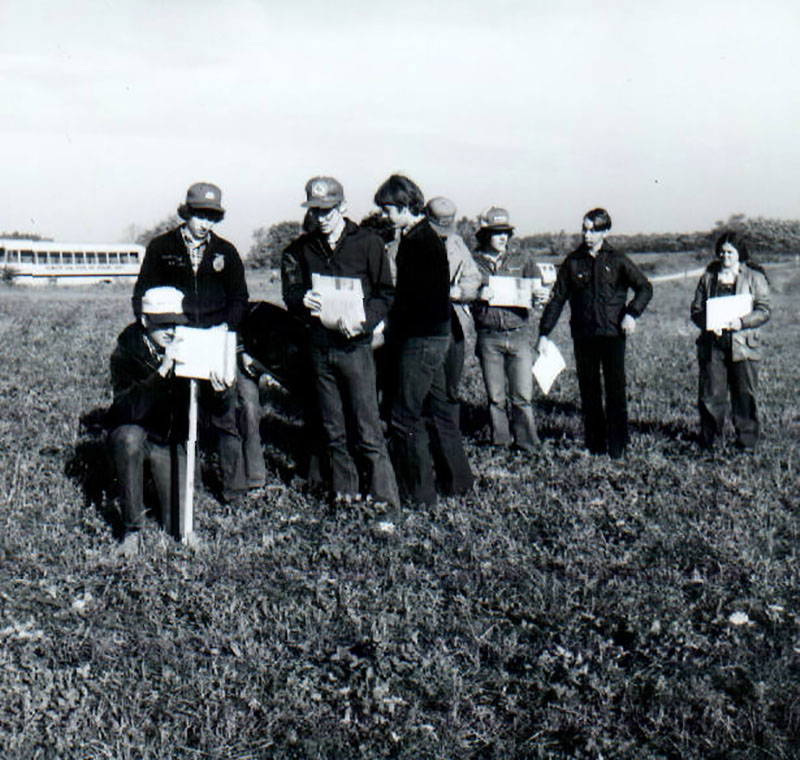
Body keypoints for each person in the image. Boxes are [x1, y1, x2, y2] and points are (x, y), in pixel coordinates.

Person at [281, 176, 399, 521]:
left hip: (356, 349)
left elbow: (385, 293)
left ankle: (385, 505)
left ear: (343, 207)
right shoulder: (303, 248)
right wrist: (301, 300)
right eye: (314, 211)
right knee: (334, 430)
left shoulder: (368, 243)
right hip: (320, 349)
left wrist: (364, 321)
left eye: (327, 211)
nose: (321, 218)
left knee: (367, 429)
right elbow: (292, 295)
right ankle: (345, 498)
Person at [132, 182, 251, 500]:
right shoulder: (161, 248)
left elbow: (240, 298)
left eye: (212, 217)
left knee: (226, 416)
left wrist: (226, 331)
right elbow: (142, 295)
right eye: (200, 215)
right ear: (186, 213)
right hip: (179, 342)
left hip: (215, 340)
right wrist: (157, 335)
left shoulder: (226, 252)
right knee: (183, 417)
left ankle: (234, 490)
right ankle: (190, 488)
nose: (206, 223)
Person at [107, 286, 233, 556]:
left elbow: (215, 408)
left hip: (169, 439)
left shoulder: (190, 345)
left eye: (177, 323)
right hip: (137, 430)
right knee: (128, 438)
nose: (171, 331)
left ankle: (166, 502)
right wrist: (163, 371)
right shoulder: (126, 352)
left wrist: (220, 391)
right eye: (163, 323)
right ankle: (132, 530)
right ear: (144, 321)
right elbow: (128, 408)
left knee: (177, 523)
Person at [374, 174, 472, 506]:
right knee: (442, 410)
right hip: (438, 336)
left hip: (421, 339)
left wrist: (384, 329)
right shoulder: (427, 237)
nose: (384, 216)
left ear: (404, 206)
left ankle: (418, 494)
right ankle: (457, 482)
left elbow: (409, 300)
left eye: (387, 210)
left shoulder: (415, 243)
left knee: (404, 417)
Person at [537, 208, 652, 458]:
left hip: (612, 335)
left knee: (615, 391)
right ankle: (595, 445)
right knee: (589, 392)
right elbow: (557, 298)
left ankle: (618, 447)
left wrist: (632, 313)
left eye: (593, 230)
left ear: (605, 231)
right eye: (585, 229)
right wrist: (544, 333)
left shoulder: (618, 259)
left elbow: (644, 287)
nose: (587, 235)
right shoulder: (572, 261)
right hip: (584, 336)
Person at [471, 206, 546, 453]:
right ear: (485, 234)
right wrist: (478, 294)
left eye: (506, 232)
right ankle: (500, 441)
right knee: (495, 396)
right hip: (488, 335)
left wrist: (541, 296)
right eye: (497, 233)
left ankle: (527, 442)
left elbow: (539, 291)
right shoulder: (473, 262)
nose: (503, 237)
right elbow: (462, 292)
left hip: (518, 334)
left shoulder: (522, 260)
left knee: (522, 394)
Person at [690, 231, 770, 450]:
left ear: (739, 254)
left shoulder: (755, 277)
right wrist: (708, 322)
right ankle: (709, 442)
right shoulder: (708, 277)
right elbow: (696, 309)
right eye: (722, 252)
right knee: (710, 395)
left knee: (744, 394)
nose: (725, 256)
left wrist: (742, 322)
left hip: (743, 345)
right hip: (713, 344)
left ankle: (747, 442)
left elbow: (764, 310)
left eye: (730, 252)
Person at [422, 196, 479, 491]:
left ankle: (450, 455)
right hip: (423, 330)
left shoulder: (457, 244)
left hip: (453, 328)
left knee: (450, 393)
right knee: (427, 399)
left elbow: (474, 278)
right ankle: (433, 459)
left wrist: (460, 291)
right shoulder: (407, 243)